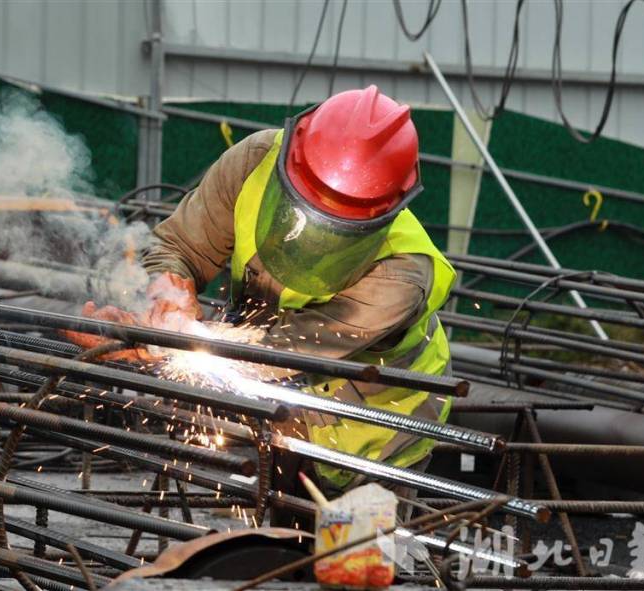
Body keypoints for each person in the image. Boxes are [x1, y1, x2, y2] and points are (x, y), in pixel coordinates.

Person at [69, 86, 457, 523]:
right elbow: (178, 244)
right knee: (282, 545)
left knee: (355, 562)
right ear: (292, 158)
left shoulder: (404, 271)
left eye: (333, 227)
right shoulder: (255, 162)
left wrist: (171, 344)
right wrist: (165, 297)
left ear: (383, 214)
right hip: (286, 409)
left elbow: (287, 350)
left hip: (382, 429)